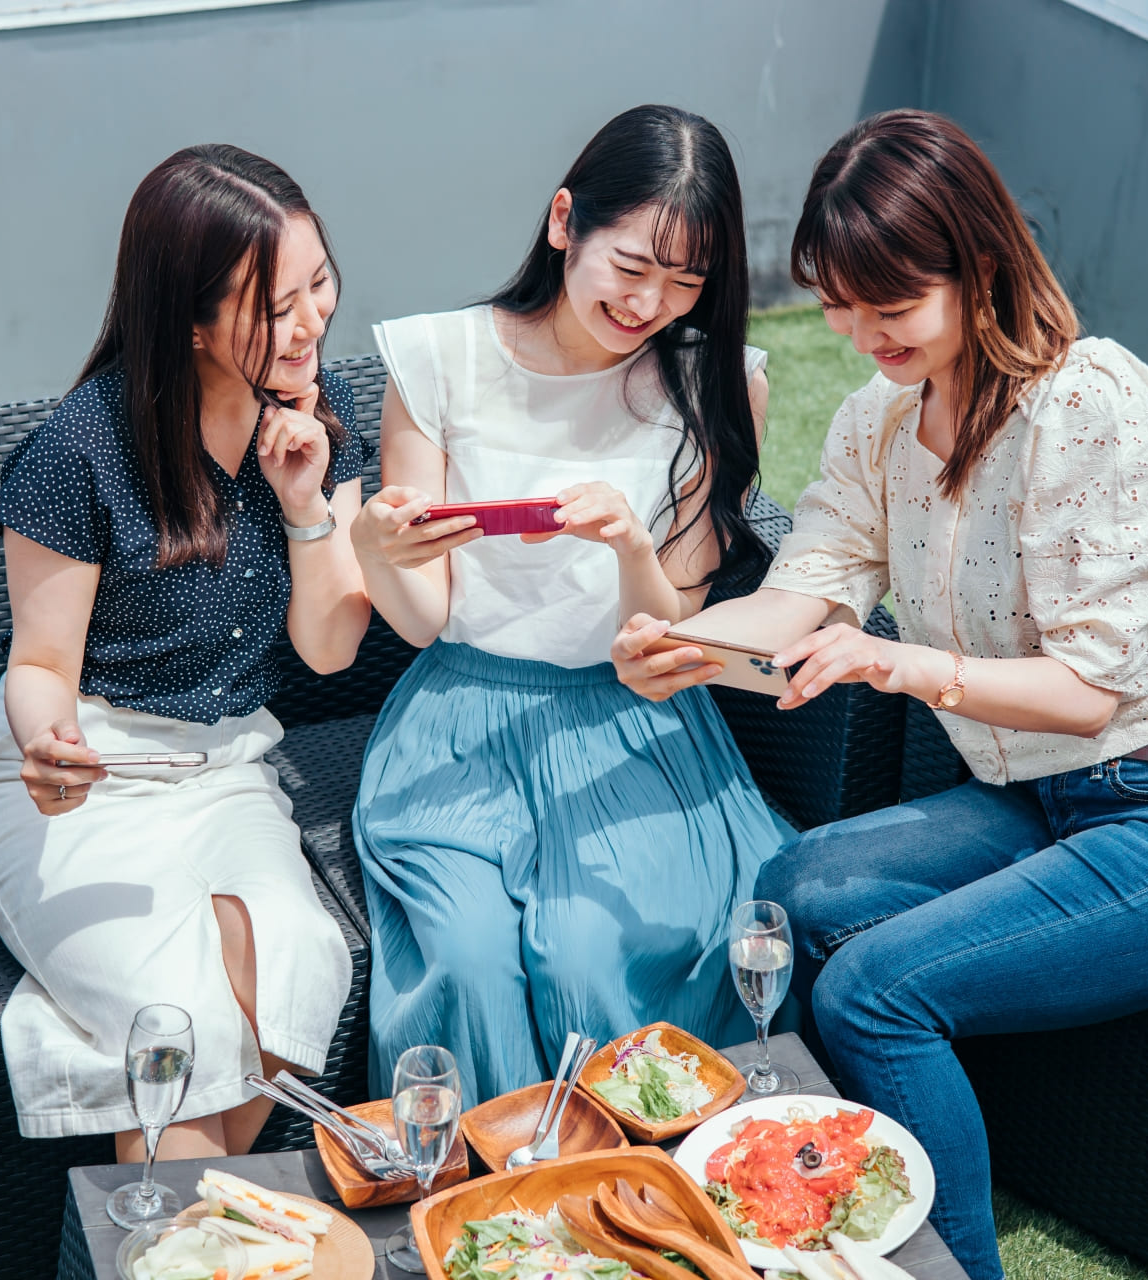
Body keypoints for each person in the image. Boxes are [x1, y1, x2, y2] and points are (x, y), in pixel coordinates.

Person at [611, 110, 1148, 1279]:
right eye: (838, 303)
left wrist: (899, 661)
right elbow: (807, 591)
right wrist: (682, 639)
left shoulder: (1089, 403)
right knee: (793, 886)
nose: (857, 333)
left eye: (887, 305)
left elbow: (1091, 692)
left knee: (880, 994)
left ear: (979, 263)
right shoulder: (878, 420)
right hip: (1035, 797)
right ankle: (799, 1207)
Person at [348, 104, 793, 1107]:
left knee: (597, 947)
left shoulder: (717, 383)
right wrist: (377, 546)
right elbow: (423, 618)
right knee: (464, 957)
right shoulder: (438, 360)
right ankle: (495, 1204)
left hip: (633, 718)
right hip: (461, 718)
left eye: (687, 281)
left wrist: (631, 540)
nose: (652, 303)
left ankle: (646, 1204)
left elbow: (671, 619)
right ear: (564, 223)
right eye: (632, 267)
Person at [0, 144, 372, 1158]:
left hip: (226, 767)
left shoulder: (326, 420)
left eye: (319, 283)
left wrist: (306, 506)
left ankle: (168, 1230)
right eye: (275, 305)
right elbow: (40, 667)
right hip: (85, 769)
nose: (311, 320)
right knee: (174, 1023)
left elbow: (327, 649)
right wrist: (48, 746)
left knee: (295, 961)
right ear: (188, 318)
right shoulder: (82, 448)